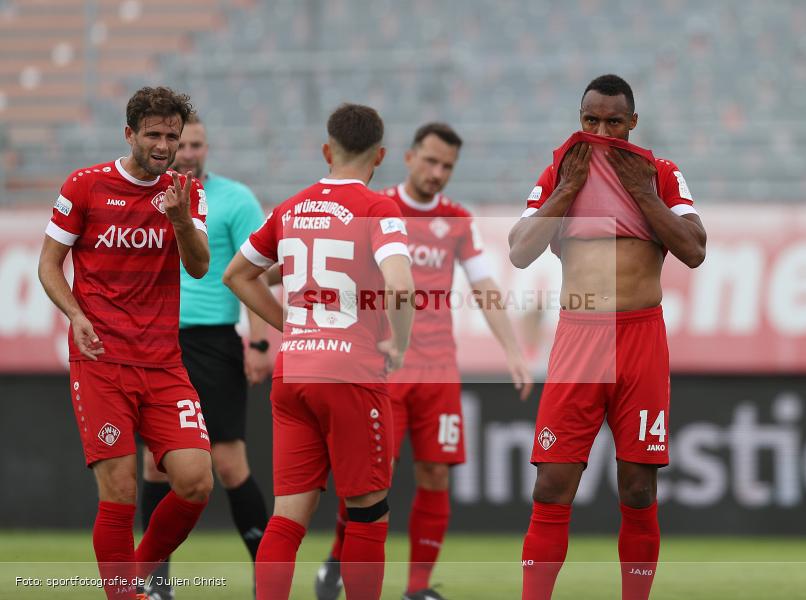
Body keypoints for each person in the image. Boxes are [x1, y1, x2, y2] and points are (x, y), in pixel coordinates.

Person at [508, 74, 707, 600]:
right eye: (590, 120)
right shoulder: (560, 171)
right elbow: (520, 250)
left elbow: (694, 249)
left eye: (613, 122)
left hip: (640, 337)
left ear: (633, 123)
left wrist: (642, 193)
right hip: (579, 335)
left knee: (638, 488)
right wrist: (568, 189)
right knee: (552, 485)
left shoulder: (660, 173)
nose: (600, 131)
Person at [315, 122, 533, 600]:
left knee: (435, 474)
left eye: (448, 167)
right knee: (373, 480)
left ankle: (416, 589)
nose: (438, 173)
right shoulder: (378, 208)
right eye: (431, 161)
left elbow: (484, 286)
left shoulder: (455, 219)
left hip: (439, 373)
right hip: (383, 369)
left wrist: (513, 352)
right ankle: (336, 556)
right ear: (409, 158)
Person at [223, 103, 415, 600]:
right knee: (369, 513)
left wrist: (290, 323)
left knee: (287, 520)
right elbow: (399, 285)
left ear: (327, 150)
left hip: (294, 372)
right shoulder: (379, 209)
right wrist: (398, 343)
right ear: (382, 157)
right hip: (351, 371)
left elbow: (237, 275)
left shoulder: (289, 208)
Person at [37, 86, 214, 600]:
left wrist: (179, 216)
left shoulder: (186, 191)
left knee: (196, 481)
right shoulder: (86, 185)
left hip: (163, 364)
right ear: (130, 133)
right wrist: (75, 315)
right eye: (154, 135)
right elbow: (49, 265)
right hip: (100, 360)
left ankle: (131, 578)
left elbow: (199, 267)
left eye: (172, 137)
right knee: (120, 491)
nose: (164, 146)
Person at [139, 114, 272, 600]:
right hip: (153, 341)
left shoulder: (234, 199)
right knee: (155, 465)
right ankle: (156, 583)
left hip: (214, 342)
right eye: (181, 144)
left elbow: (254, 272)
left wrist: (259, 343)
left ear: (205, 147)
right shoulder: (140, 194)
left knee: (228, 462)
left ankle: (266, 572)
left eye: (196, 144)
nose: (188, 152)